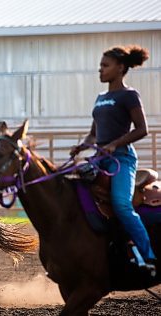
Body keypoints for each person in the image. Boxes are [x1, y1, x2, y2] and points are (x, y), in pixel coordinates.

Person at [70, 45, 156, 274]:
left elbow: (142, 129)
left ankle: (149, 256)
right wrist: (82, 146)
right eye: (100, 66)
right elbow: (94, 133)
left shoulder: (129, 95)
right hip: (99, 157)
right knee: (72, 193)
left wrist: (115, 144)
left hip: (122, 158)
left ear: (120, 68)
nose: (100, 70)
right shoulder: (101, 98)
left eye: (105, 66)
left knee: (121, 204)